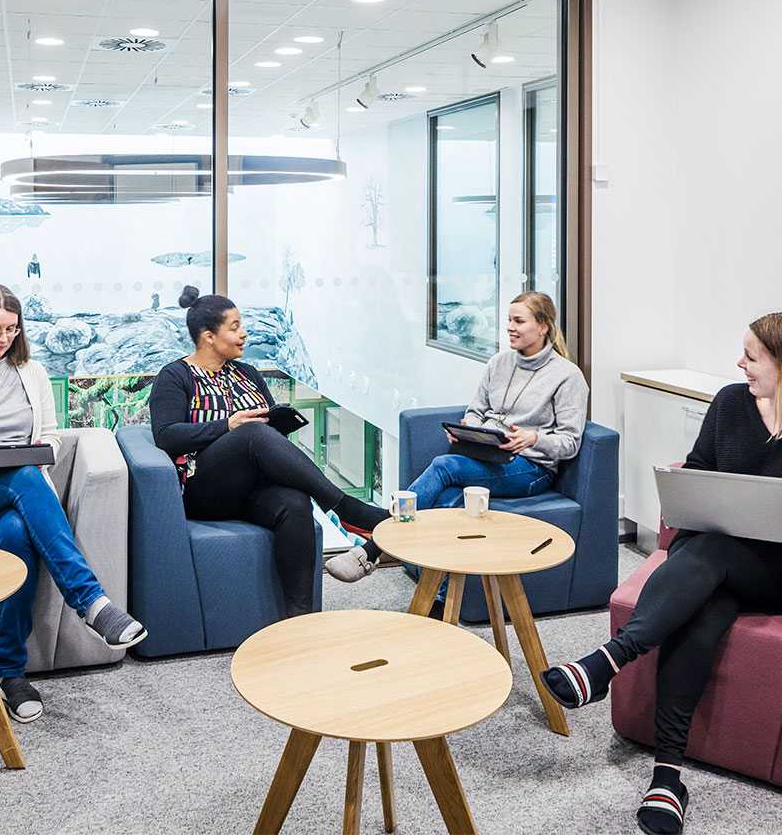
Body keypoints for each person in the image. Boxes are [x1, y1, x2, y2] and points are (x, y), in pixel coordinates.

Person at [542, 313, 782, 835]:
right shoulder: (729, 403)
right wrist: (690, 489)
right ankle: (667, 777)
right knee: (703, 608)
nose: (739, 364)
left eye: (752, 357)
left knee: (711, 555)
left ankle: (609, 660)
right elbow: (696, 468)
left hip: (773, 570)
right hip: (713, 556)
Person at [0, 284, 146, 724]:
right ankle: (91, 601)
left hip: (14, 497)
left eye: (12, 329)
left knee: (17, 533)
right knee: (21, 476)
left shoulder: (31, 373)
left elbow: (52, 435)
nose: (3, 338)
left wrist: (39, 448)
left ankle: (10, 675)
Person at [148, 286, 391, 611]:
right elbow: (167, 435)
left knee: (294, 502)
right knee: (251, 433)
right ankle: (346, 509)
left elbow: (269, 432)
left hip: (253, 489)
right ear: (208, 336)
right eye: (234, 327)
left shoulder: (247, 374)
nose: (244, 334)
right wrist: (228, 425)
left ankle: (299, 617)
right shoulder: (176, 376)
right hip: (203, 489)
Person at [338, 291, 588, 591]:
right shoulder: (499, 363)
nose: (510, 327)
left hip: (532, 467)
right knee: (446, 501)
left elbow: (570, 441)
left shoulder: (567, 376)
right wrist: (470, 429)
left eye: (519, 321)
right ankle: (440, 598)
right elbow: (476, 409)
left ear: (544, 326)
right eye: (509, 319)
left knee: (444, 466)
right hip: (489, 454)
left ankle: (373, 547)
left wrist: (532, 437)